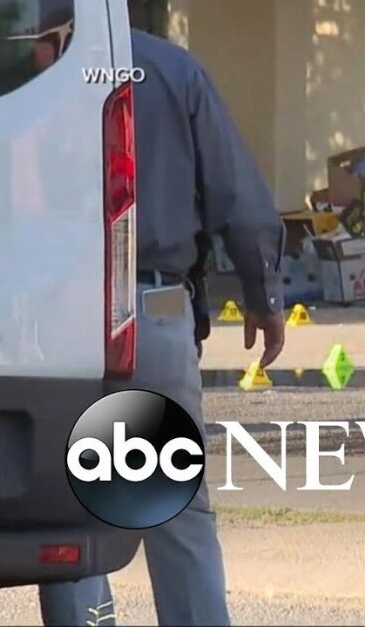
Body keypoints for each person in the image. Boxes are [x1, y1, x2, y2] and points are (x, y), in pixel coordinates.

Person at [35, 27, 288, 626]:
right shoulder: (174, 70)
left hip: (60, 308)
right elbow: (236, 193)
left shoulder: (38, 65)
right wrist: (263, 294)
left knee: (76, 506)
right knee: (177, 507)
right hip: (159, 304)